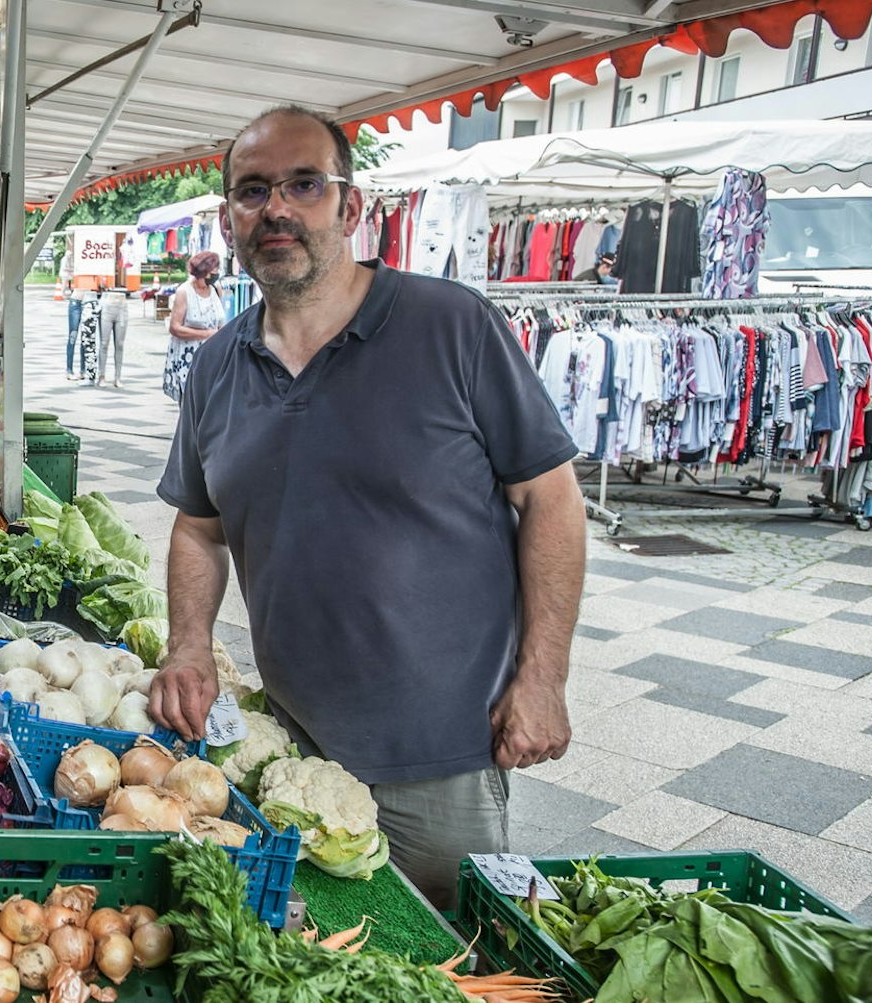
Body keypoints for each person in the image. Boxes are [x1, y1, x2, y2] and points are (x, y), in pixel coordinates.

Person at [149, 105, 586, 910]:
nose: (276, 208)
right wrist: (188, 645)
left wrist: (544, 676)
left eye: (303, 184)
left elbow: (552, 499)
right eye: (252, 191)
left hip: (444, 756)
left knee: (447, 965)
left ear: (351, 207)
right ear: (229, 219)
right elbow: (198, 528)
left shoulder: (453, 326)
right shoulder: (216, 367)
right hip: (288, 751)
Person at [163, 250, 227, 401]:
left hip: (212, 357)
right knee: (191, 404)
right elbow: (175, 327)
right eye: (214, 270)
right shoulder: (184, 292)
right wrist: (206, 334)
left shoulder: (216, 289)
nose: (216, 273)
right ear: (204, 272)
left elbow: (221, 322)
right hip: (188, 357)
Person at [96, 273, 130, 388]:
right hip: (107, 304)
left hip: (122, 306)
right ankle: (101, 376)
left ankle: (117, 377)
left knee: (120, 344)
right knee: (104, 343)